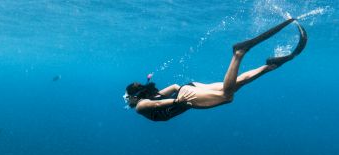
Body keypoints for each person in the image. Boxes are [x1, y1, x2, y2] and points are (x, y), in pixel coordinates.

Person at [123, 18, 308, 122]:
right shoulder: (148, 97)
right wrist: (178, 94)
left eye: (127, 98)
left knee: (227, 96)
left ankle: (238, 53)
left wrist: (178, 100)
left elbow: (157, 105)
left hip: (186, 96)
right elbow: (172, 86)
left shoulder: (140, 106)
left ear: (134, 97)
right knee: (234, 85)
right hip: (188, 89)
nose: (127, 101)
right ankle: (270, 66)